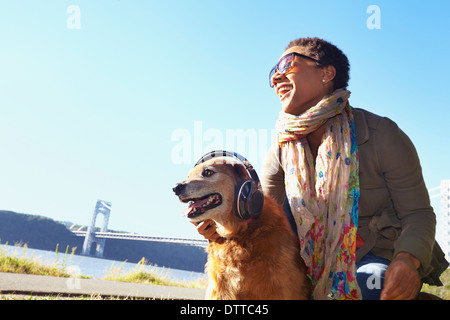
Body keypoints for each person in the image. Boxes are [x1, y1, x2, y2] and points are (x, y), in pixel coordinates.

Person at [195, 37, 448, 300]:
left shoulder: (381, 134)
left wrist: (407, 260)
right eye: (273, 73)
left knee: (367, 285)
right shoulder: (281, 147)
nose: (276, 78)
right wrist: (223, 227)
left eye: (287, 64)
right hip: (306, 258)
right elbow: (262, 218)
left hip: (374, 256)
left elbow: (418, 213)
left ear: (327, 73)